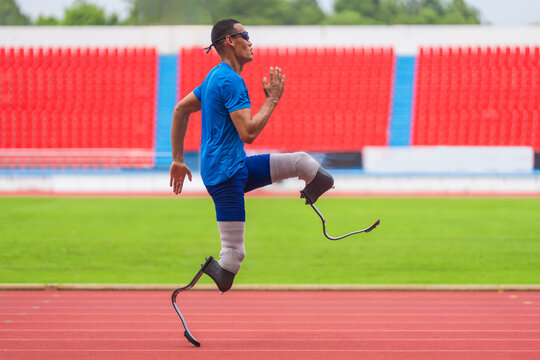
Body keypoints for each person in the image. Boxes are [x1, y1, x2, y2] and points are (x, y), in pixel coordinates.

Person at [169, 19, 334, 293]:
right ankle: (214, 268)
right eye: (245, 35)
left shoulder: (215, 77)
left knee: (303, 162)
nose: (251, 41)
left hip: (235, 166)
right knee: (232, 260)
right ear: (230, 41)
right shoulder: (230, 81)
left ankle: (314, 187)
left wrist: (178, 159)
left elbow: (179, 110)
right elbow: (247, 133)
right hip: (225, 176)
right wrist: (272, 100)